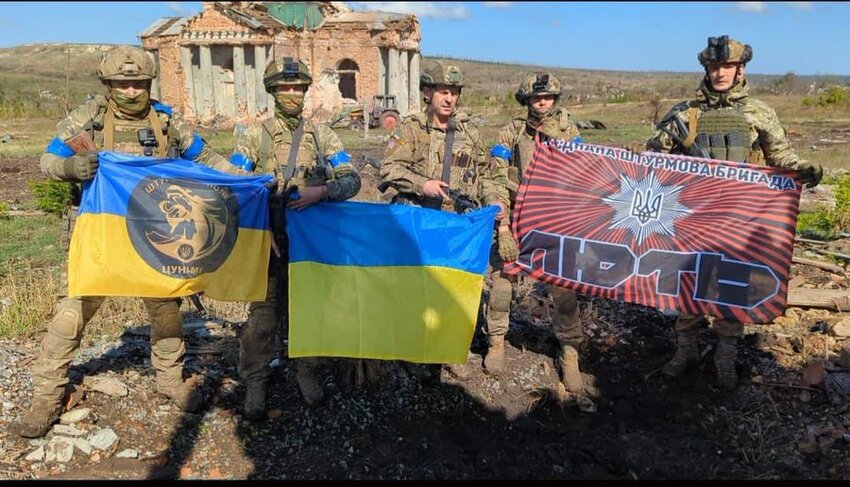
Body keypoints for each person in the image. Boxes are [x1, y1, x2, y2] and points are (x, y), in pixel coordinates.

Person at [10, 45, 240, 439]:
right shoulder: (88, 118)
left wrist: (245, 180)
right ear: (107, 84)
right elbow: (47, 160)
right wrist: (70, 166)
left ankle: (169, 383)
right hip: (100, 236)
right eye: (123, 84)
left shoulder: (167, 121)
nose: (132, 91)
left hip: (154, 234)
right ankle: (45, 399)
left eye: (139, 83)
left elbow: (208, 159)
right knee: (71, 315)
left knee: (167, 311)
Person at [646, 35, 823, 390]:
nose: (720, 73)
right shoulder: (684, 113)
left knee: (731, 285)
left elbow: (780, 157)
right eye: (714, 67)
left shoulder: (758, 112)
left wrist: (803, 168)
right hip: (692, 217)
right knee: (688, 284)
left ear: (740, 69)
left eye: (727, 66)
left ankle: (725, 357)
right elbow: (652, 159)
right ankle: (686, 351)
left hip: (739, 220)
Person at [231, 57, 361, 419]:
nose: (291, 94)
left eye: (297, 87)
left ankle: (307, 371)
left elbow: (352, 179)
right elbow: (236, 188)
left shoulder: (322, 134)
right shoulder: (253, 135)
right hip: (268, 242)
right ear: (272, 90)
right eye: (284, 87)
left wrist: (322, 193)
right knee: (263, 320)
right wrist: (261, 231)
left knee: (310, 312)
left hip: (311, 245)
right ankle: (255, 381)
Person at [379, 61, 509, 380]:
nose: (449, 99)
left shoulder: (469, 132)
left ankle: (452, 350)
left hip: (457, 228)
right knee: (420, 291)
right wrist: (422, 185)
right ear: (428, 93)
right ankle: (420, 352)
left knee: (456, 290)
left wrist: (496, 200)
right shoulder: (411, 129)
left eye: (454, 93)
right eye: (443, 92)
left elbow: (488, 175)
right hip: (423, 225)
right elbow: (388, 169)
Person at [486, 72, 591, 396]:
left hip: (555, 220)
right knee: (502, 284)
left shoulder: (569, 132)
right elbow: (495, 177)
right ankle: (497, 341)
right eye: (535, 98)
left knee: (564, 291)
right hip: (517, 217)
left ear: (555, 100)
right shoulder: (512, 131)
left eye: (547, 97)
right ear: (527, 101)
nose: (542, 103)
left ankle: (569, 353)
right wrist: (503, 226)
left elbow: (584, 176)